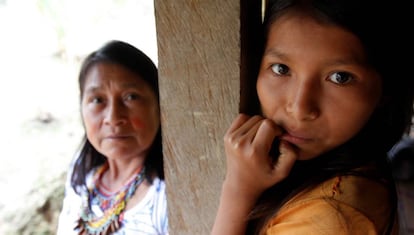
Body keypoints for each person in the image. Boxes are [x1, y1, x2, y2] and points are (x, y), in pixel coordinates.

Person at [211, 0, 413, 234]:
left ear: (386, 89)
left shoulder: (331, 218)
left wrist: (237, 191)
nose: (299, 108)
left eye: (340, 77)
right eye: (281, 69)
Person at [57, 40, 168, 234]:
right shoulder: (82, 172)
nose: (113, 118)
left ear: (159, 104)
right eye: (98, 100)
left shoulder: (167, 196)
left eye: (131, 97)